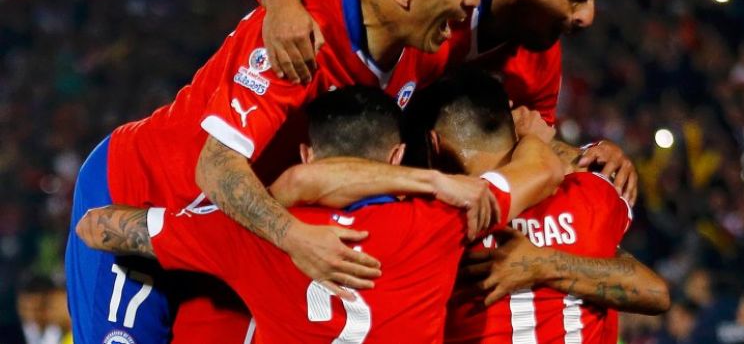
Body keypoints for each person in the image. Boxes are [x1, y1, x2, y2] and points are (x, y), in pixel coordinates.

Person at [65, 0, 498, 343]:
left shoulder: (417, 44)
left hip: (233, 235)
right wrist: (295, 237)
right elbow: (215, 167)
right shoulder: (297, 40)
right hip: (142, 192)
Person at [245, 0, 639, 201]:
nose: (588, 17)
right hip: (285, 170)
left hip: (404, 202)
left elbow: (531, 144)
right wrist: (281, 5)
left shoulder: (541, 55)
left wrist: (588, 156)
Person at [77, 86, 515, 344]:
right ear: (398, 157)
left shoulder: (249, 231)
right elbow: (541, 172)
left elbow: (95, 227)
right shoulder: (441, 222)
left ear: (306, 154)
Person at [406, 69, 669, 343]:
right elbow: (655, 294)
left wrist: (540, 263)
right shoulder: (592, 193)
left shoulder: (442, 217)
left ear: (433, 144)